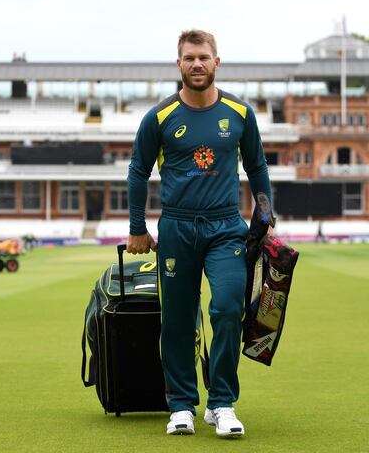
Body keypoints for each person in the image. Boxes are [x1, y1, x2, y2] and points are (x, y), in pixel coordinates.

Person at [127, 29, 274, 438]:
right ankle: (181, 407)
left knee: (228, 308)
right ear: (179, 64)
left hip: (227, 227)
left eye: (204, 57)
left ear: (216, 62)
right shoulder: (158, 117)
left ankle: (222, 404)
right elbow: (138, 171)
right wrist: (137, 228)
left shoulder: (240, 113)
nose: (197, 64)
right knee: (177, 319)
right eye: (189, 58)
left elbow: (257, 166)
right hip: (176, 227)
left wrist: (265, 215)